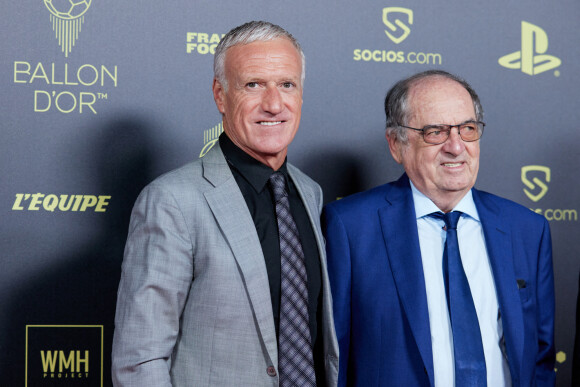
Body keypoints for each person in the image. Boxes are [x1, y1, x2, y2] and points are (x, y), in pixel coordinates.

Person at [112, 21, 339, 387]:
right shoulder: (172, 200)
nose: (274, 104)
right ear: (220, 95)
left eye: (287, 85)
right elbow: (140, 360)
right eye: (254, 85)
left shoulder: (309, 192)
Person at [323, 70, 555, 386]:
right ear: (396, 144)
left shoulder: (527, 229)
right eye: (436, 132)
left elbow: (540, 360)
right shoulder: (349, 227)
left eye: (467, 129)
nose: (456, 147)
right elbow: (333, 360)